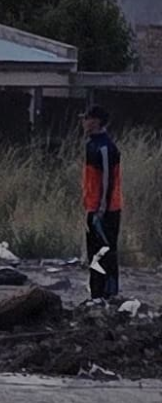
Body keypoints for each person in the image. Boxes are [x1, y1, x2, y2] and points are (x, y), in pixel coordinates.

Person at [82, 104, 123, 301]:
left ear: (96, 121)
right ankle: (96, 295)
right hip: (92, 209)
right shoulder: (91, 144)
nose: (84, 122)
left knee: (106, 253)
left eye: (88, 118)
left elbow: (108, 180)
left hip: (106, 210)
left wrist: (101, 209)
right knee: (94, 254)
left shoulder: (106, 147)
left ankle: (109, 294)